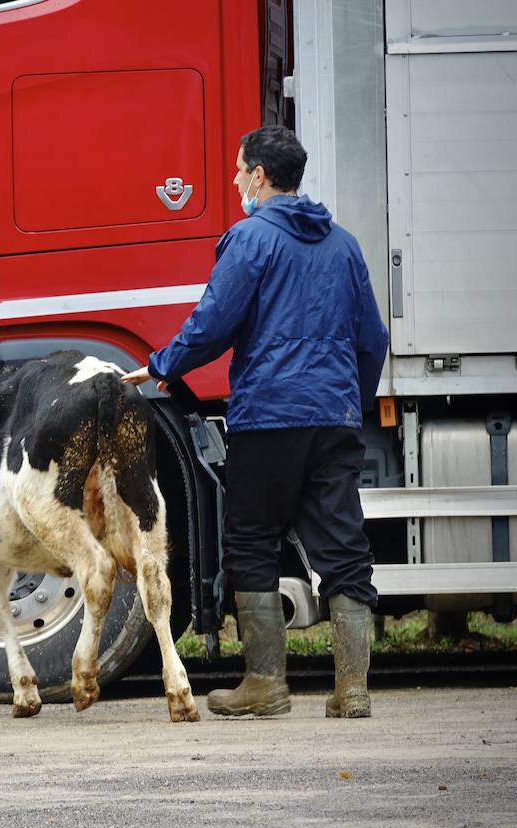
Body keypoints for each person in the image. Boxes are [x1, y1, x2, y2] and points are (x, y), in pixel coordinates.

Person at [122, 125, 389, 719]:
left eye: (241, 170)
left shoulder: (250, 238)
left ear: (261, 176)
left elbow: (215, 321)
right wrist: (350, 402)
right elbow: (374, 339)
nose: (237, 180)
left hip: (269, 417)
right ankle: (353, 690)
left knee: (251, 540)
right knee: (343, 549)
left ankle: (266, 684)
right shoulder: (344, 245)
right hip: (332, 417)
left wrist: (163, 364)